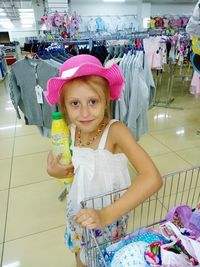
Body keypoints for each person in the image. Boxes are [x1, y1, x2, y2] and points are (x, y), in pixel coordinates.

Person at [45, 54, 163, 267]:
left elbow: (152, 178)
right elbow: (82, 168)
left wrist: (106, 215)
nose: (84, 113)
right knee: (80, 254)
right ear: (64, 106)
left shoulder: (115, 132)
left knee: (103, 260)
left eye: (92, 101)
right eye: (74, 104)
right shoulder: (72, 130)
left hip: (107, 220)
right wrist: (58, 171)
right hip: (78, 211)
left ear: (106, 98)